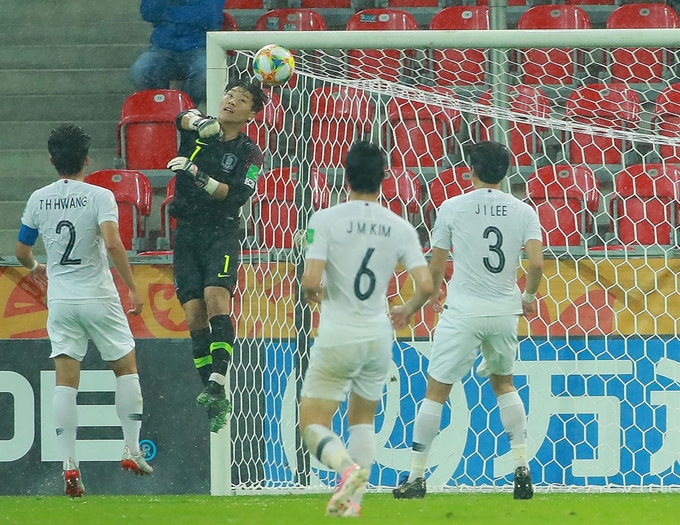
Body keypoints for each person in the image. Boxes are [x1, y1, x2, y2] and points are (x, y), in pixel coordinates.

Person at [392, 141, 543, 501]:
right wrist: (528, 298)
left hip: (462, 311)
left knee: (436, 390)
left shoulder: (452, 207)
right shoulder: (524, 211)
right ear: (506, 171)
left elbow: (436, 267)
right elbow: (536, 264)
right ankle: (521, 467)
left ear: (470, 170)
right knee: (504, 384)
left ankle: (416, 477)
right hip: (505, 310)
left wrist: (420, 302)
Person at [15, 123, 153, 498]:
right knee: (125, 368)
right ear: (87, 161)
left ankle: (70, 464)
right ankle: (131, 449)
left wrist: (36, 270)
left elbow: (22, 251)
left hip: (61, 300)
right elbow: (112, 243)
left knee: (65, 380)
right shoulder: (99, 195)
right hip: (99, 296)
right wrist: (132, 287)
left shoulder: (38, 199)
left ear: (51, 161)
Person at [299, 141, 434, 517]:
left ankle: (347, 471)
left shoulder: (324, 219)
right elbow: (426, 285)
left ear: (345, 176)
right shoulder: (400, 226)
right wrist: (407, 310)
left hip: (339, 332)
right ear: (383, 180)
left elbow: (310, 282)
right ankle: (351, 505)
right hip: (378, 334)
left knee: (312, 421)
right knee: (363, 420)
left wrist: (319, 295)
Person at [166, 78, 267, 433]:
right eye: (229, 95)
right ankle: (210, 391)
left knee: (215, 298)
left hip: (221, 230)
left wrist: (197, 175)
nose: (230, 101)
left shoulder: (251, 154)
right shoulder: (198, 129)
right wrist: (196, 122)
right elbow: (179, 116)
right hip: (187, 231)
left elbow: (238, 195)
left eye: (241, 100)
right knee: (194, 314)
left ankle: (218, 381)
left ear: (251, 114)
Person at [129, 0, 225, 107]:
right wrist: (186, 12)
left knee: (206, 74)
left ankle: (185, 109)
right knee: (140, 71)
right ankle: (162, 107)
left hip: (201, 47)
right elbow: (148, 13)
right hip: (162, 48)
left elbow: (209, 18)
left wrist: (169, 13)